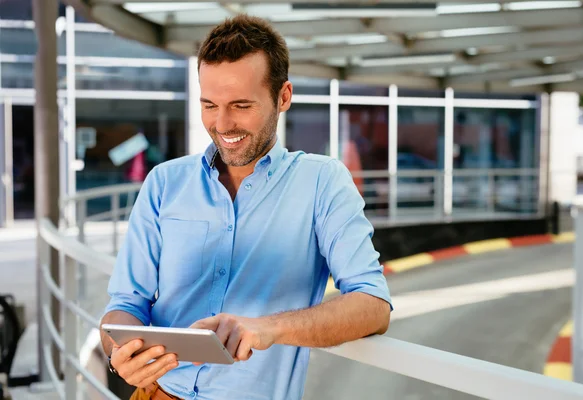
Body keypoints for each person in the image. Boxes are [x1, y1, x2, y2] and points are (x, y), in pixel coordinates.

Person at [99, 14, 392, 400]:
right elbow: (124, 305)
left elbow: (373, 305)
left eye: (240, 105)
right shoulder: (164, 182)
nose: (222, 124)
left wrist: (266, 329)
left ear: (283, 97)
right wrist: (118, 352)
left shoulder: (322, 182)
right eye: (209, 105)